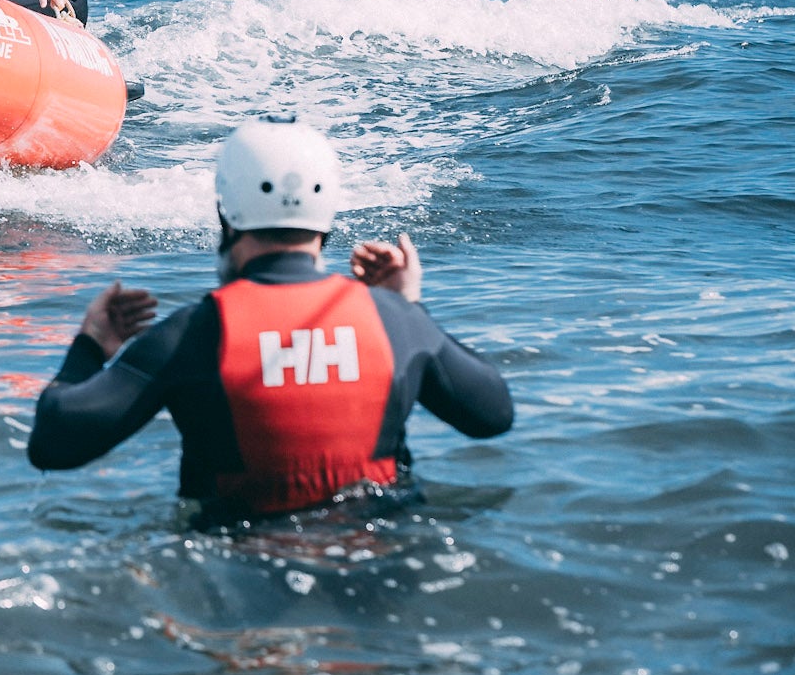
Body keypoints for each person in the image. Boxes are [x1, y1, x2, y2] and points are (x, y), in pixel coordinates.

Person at [27, 116, 513, 526]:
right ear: (327, 211)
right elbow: (492, 416)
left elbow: (53, 445)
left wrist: (90, 346)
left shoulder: (192, 333)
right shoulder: (394, 320)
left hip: (241, 571)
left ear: (226, 212)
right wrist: (409, 308)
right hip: (379, 557)